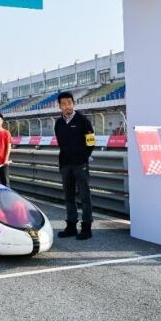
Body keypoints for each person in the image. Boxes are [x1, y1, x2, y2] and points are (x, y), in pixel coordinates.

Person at [54, 91, 95, 240]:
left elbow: (91, 142)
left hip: (80, 164)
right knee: (69, 196)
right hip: (65, 164)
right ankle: (71, 226)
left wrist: (83, 157)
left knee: (85, 196)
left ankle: (86, 228)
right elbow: (61, 143)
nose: (67, 106)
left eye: (70, 103)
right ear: (60, 106)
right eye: (64, 104)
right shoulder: (58, 123)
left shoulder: (83, 120)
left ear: (73, 103)